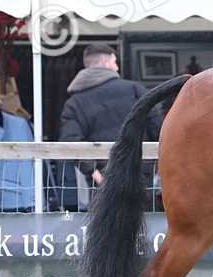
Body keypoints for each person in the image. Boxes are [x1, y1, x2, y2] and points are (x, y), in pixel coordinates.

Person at [59, 42, 162, 194]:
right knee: (145, 217)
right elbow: (158, 130)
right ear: (104, 62)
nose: (117, 68)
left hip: (102, 178)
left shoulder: (74, 103)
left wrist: (95, 174)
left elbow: (71, 140)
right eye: (114, 62)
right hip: (140, 174)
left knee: (106, 218)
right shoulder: (135, 90)